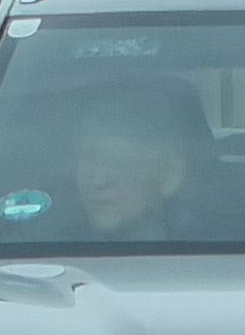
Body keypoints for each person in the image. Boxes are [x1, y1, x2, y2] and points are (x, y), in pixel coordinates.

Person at [69, 88, 202, 241]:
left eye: (118, 161)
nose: (98, 181)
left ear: (171, 174)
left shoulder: (219, 256)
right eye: (89, 160)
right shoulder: (48, 257)